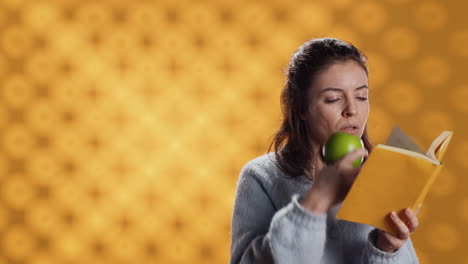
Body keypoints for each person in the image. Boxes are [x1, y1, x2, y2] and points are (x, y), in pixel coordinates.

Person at [229, 38, 421, 264]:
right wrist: (317, 200)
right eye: (333, 99)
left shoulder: (379, 174)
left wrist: (386, 250)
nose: (352, 110)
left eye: (361, 96)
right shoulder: (260, 176)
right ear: (300, 108)